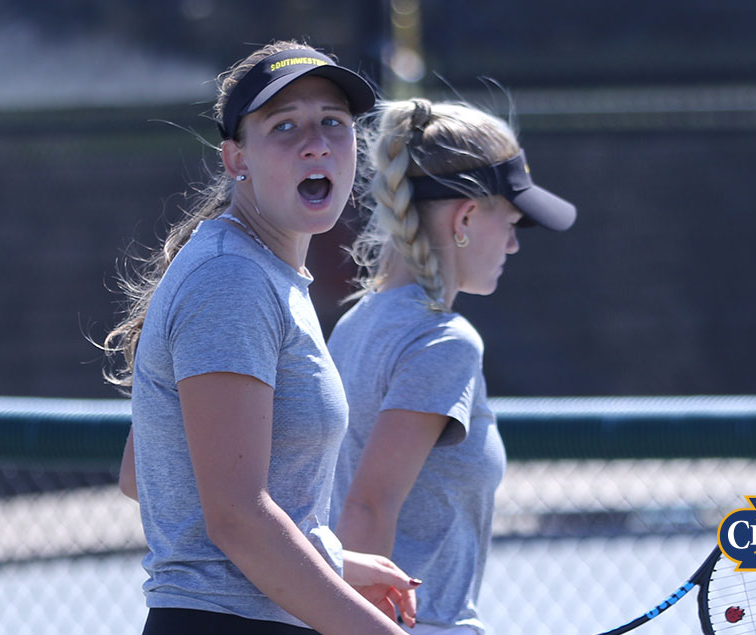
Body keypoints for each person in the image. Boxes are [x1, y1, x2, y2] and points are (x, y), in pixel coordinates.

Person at [104, 41, 420, 634]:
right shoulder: (232, 279)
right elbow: (239, 519)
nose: (316, 142)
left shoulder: (257, 272)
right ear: (235, 159)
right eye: (284, 126)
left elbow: (141, 473)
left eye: (333, 122)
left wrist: (333, 560)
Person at [329, 98, 577, 634]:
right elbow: (367, 507)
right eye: (511, 222)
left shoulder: (354, 324)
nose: (513, 243)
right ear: (465, 217)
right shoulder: (444, 341)